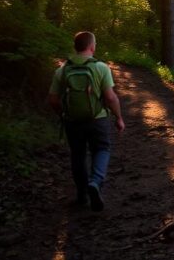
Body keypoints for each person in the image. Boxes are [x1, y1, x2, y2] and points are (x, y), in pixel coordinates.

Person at [48, 31, 125, 211]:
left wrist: (63, 114)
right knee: (102, 149)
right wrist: (119, 118)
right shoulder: (101, 67)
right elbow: (111, 98)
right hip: (97, 120)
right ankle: (96, 182)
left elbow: (52, 99)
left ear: (75, 47)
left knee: (78, 155)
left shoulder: (62, 70)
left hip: (72, 121)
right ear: (92, 46)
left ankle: (82, 196)